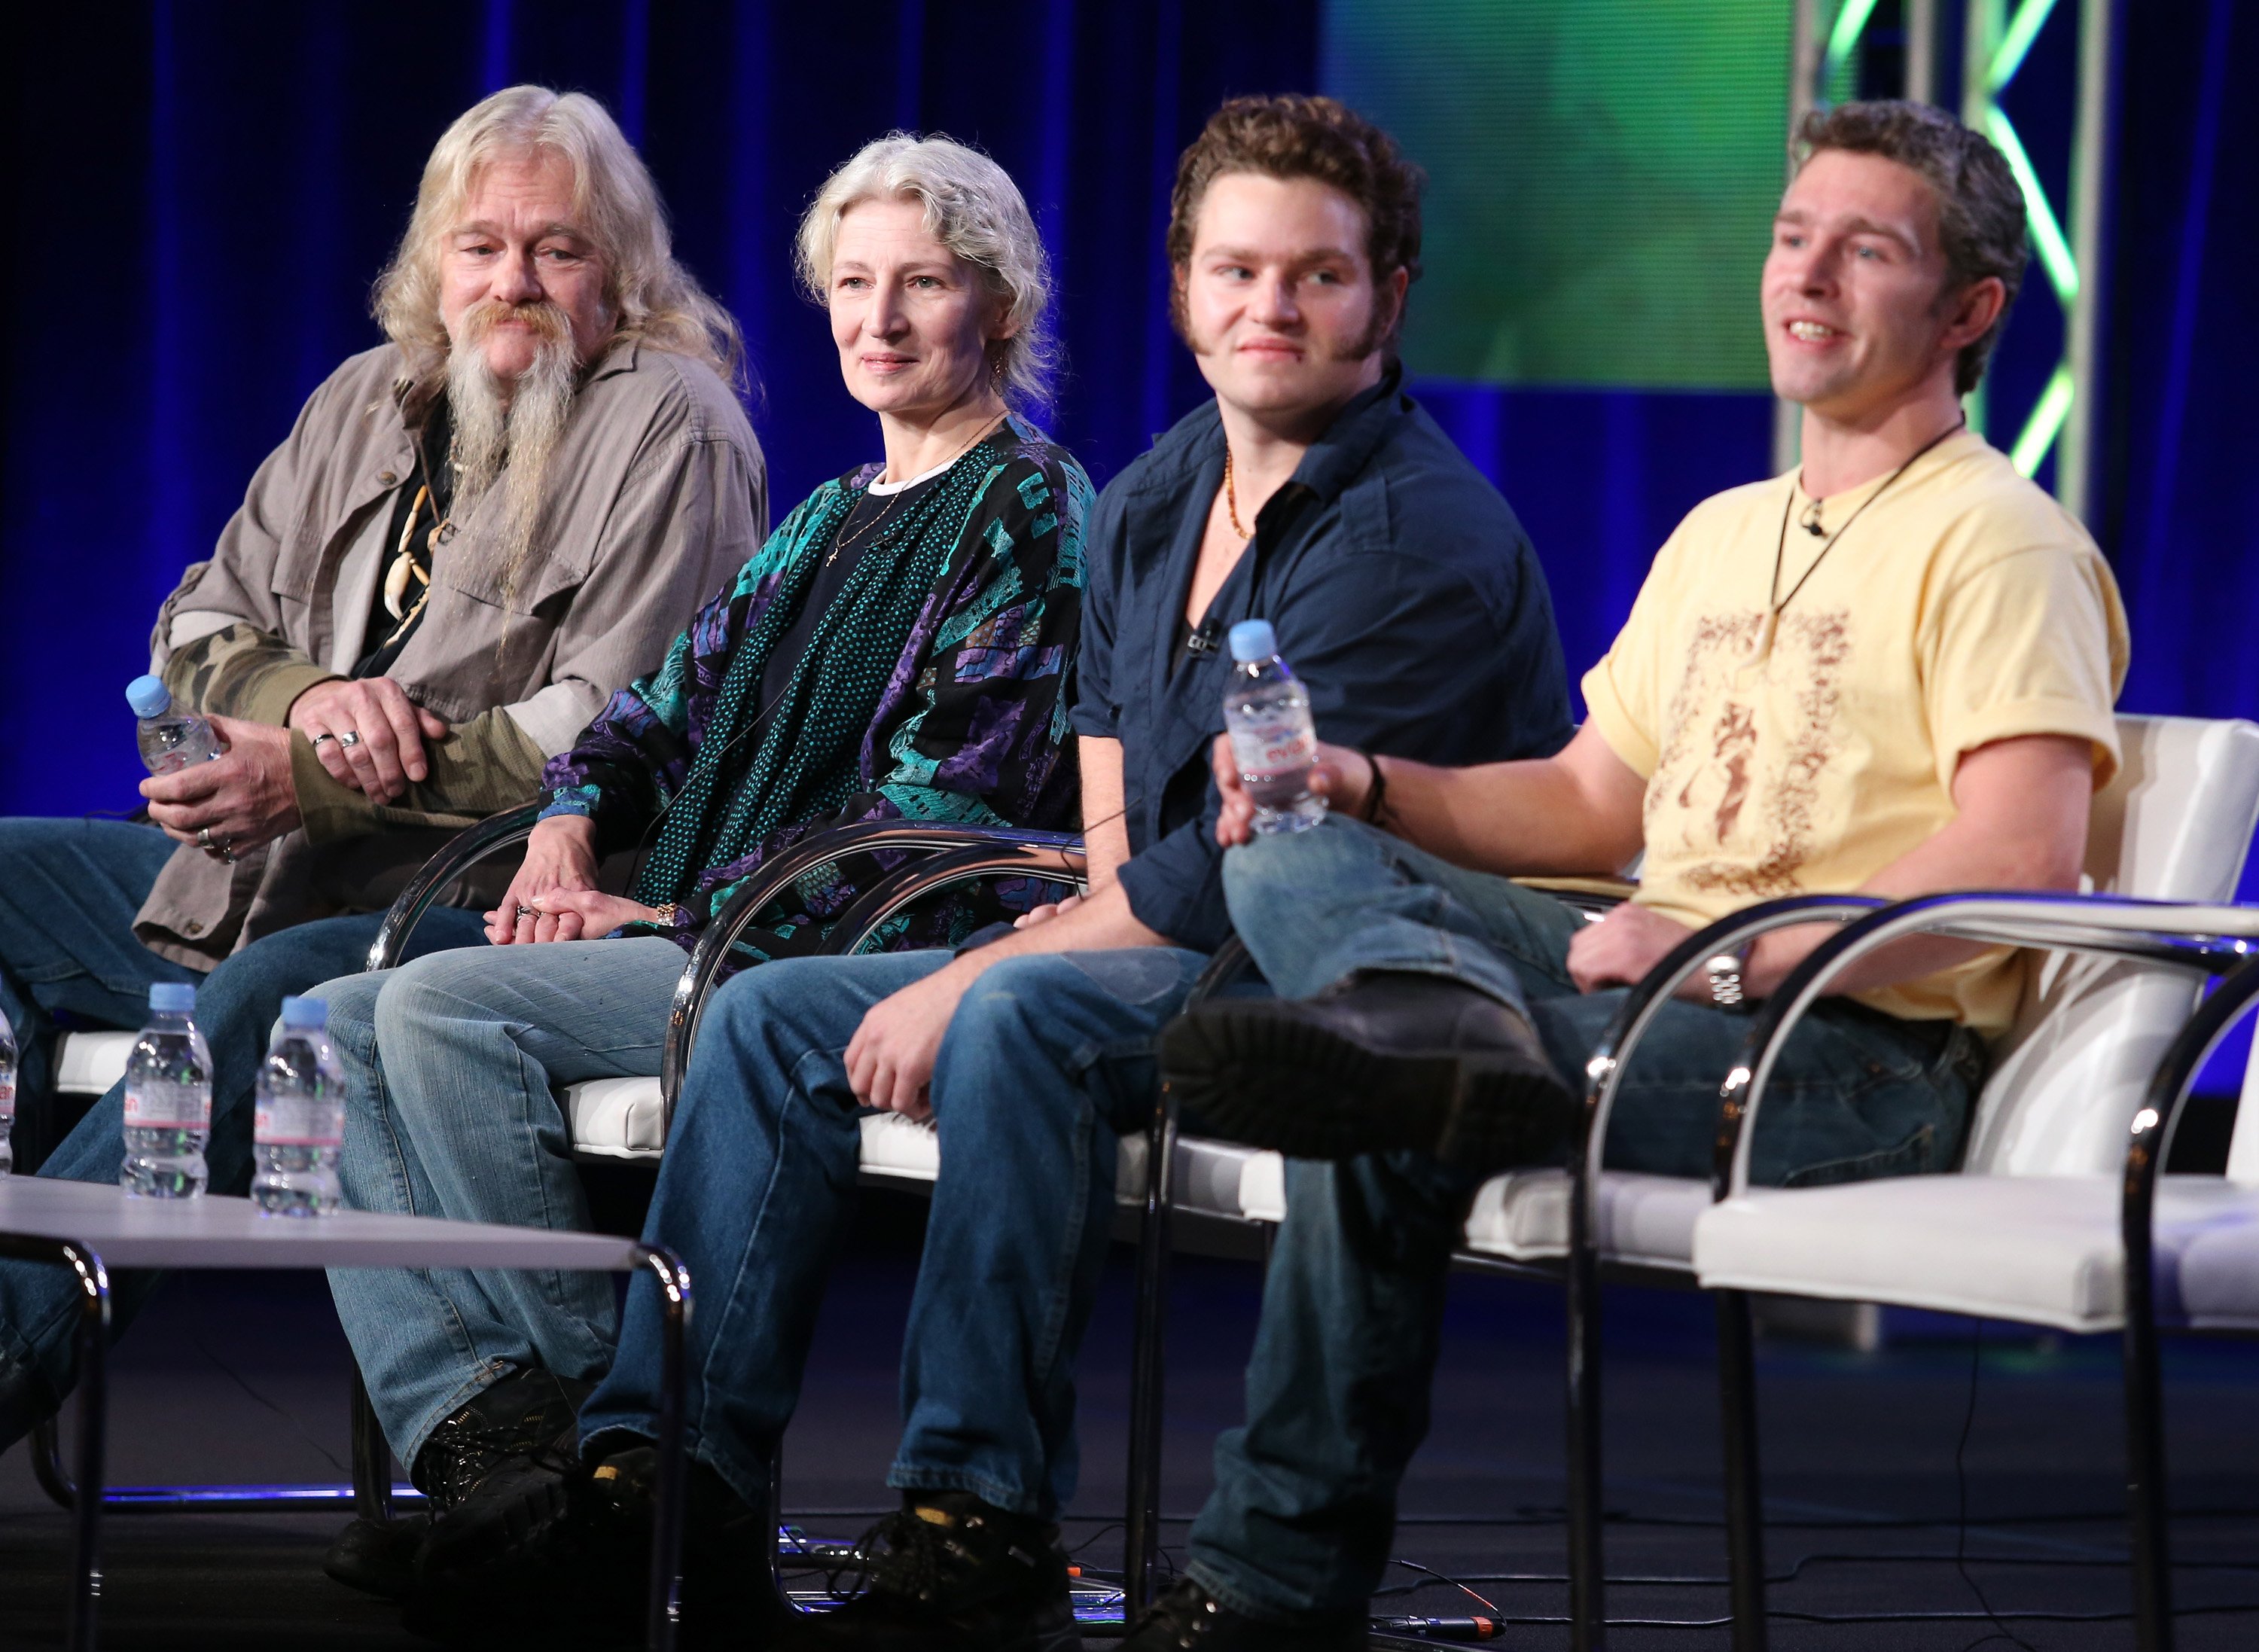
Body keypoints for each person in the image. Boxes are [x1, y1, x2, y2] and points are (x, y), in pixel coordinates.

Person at [524, 95, 1578, 1651]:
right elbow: (1111, 813)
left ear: (1389, 295)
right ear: (1182, 288)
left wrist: (990, 961)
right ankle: (665, 1481)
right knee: (764, 1021)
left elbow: (1253, 869)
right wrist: (1047, 927)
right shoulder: (1155, 501)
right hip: (1164, 937)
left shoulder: (1412, 529)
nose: (1268, 308)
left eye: (1317, 277)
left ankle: (977, 1512)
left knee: (1018, 1017)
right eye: (1234, 272)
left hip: (1349, 986)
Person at [1148, 100, 2131, 1647]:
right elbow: (1590, 798)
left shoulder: (2002, 540)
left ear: (1971, 310)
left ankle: (1268, 1580)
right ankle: (1424, 1010)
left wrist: (1726, 951)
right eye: (1792, 235)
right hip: (1635, 969)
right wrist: (1366, 777)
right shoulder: (1724, 531)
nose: (1805, 273)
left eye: (1863, 249)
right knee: (1286, 826)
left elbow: (2023, 855)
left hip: (1844, 1053)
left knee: (1378, 1086)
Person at [309, 133, 1090, 1611]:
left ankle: (606, 1470)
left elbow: (935, 822)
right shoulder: (819, 519)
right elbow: (651, 714)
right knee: (346, 1016)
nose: (879, 316)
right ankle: (499, 1450)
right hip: (710, 922)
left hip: (823, 946)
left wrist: (669, 909)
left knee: (446, 1011)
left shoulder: (1030, 513)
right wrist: (565, 820)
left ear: (998, 302)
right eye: (853, 283)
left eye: (921, 283)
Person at [0, 85, 763, 1444]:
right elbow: (196, 621)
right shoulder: (363, 396)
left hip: (468, 914)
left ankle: (3, 1355)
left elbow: (609, 734)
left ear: (623, 272)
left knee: (280, 1000)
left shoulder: (673, 425)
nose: (513, 281)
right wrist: (307, 706)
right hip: (255, 882)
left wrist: (317, 779)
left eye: (558, 249)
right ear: (432, 263)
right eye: (481, 247)